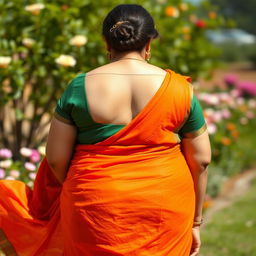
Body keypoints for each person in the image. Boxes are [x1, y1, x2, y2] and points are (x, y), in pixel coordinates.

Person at [0, 4, 211, 256]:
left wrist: (84, 188)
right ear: (149, 43)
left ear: (106, 43)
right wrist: (195, 222)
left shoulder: (80, 87)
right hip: (165, 206)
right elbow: (201, 160)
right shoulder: (180, 90)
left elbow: (56, 159)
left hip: (94, 207)